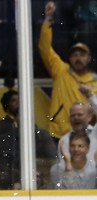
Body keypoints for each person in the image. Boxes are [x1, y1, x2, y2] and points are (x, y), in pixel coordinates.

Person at [40, 1, 97, 139]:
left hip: (87, 137)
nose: (78, 58)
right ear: (69, 58)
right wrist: (48, 20)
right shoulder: (60, 71)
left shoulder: (95, 81)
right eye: (74, 55)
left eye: (82, 55)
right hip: (59, 134)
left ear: (89, 58)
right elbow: (44, 48)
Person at [0, 89, 58, 189]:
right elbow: (1, 151)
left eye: (19, 100)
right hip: (10, 174)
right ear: (6, 106)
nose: (18, 102)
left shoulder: (32, 126)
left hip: (34, 173)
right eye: (13, 100)